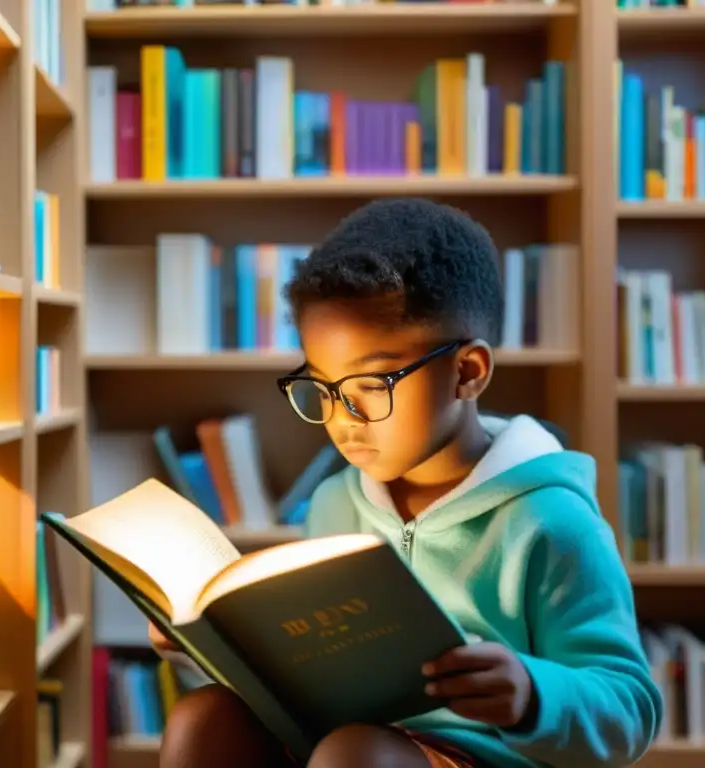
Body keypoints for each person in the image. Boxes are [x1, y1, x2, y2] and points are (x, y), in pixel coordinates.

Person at [149, 198, 662, 768]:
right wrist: (214, 646)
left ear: (467, 372)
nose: (343, 418)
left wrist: (531, 694)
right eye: (323, 387)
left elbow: (630, 708)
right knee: (204, 718)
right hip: (342, 746)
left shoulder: (551, 522)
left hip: (475, 757)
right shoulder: (333, 503)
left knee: (355, 754)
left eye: (372, 383)